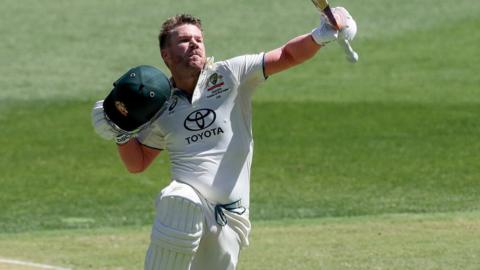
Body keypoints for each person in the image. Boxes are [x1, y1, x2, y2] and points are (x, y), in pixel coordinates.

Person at [92, 7, 357, 270]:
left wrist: (319, 36)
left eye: (198, 39)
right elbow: (137, 163)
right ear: (166, 54)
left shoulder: (232, 74)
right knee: (179, 199)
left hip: (230, 214)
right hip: (188, 202)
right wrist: (121, 134)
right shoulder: (160, 106)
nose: (194, 44)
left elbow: (286, 55)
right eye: (184, 40)